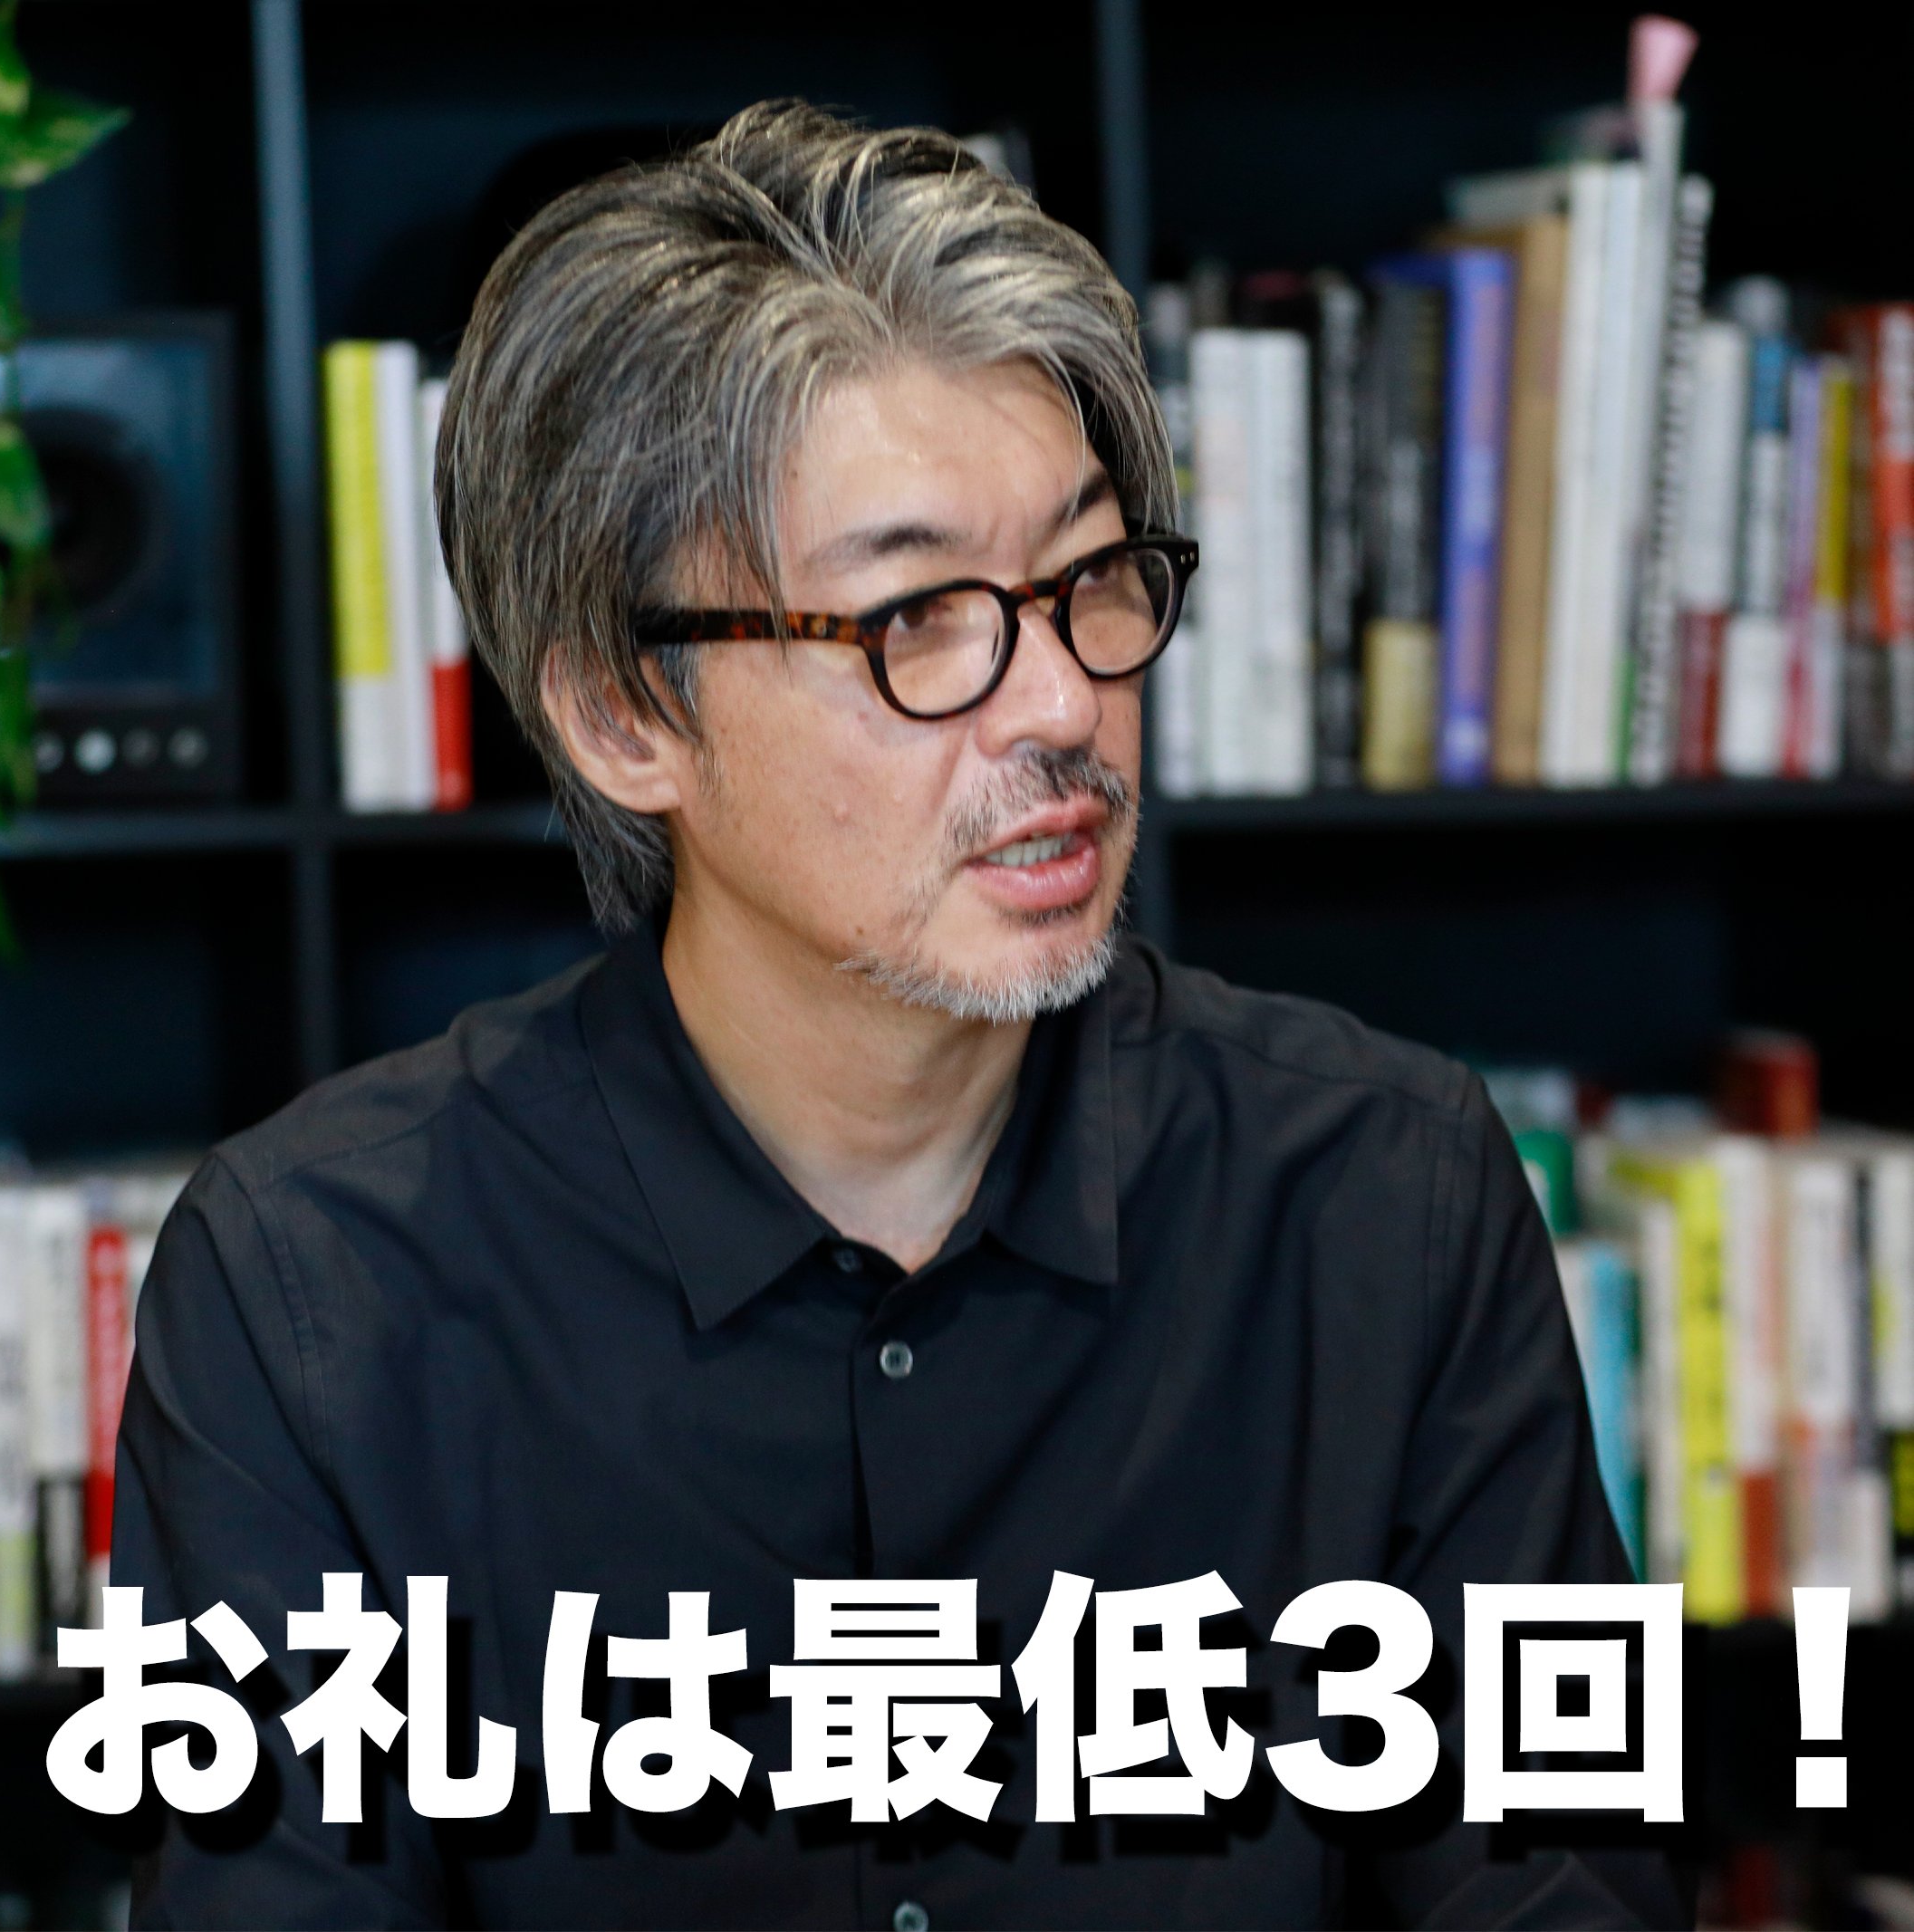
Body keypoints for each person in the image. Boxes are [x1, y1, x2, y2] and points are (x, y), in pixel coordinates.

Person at [117, 101, 1681, 1929]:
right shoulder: (314, 1288)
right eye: (917, 616)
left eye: (1090, 579)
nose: (1059, 704)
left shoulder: (1382, 1198)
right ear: (623, 714)